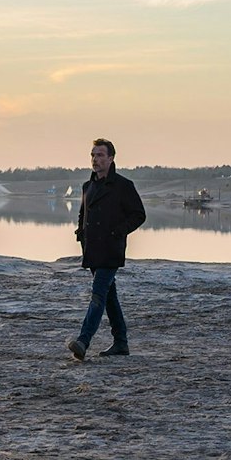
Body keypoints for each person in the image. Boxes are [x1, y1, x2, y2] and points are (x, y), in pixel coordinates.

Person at [67, 137, 146, 360]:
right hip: (92, 250)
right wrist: (81, 234)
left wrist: (118, 232)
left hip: (111, 250)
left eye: (100, 155)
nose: (95, 159)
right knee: (109, 297)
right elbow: (84, 215)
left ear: (111, 158)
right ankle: (121, 342)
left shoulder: (123, 186)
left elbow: (139, 215)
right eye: (93, 155)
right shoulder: (87, 186)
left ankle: (83, 340)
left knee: (98, 295)